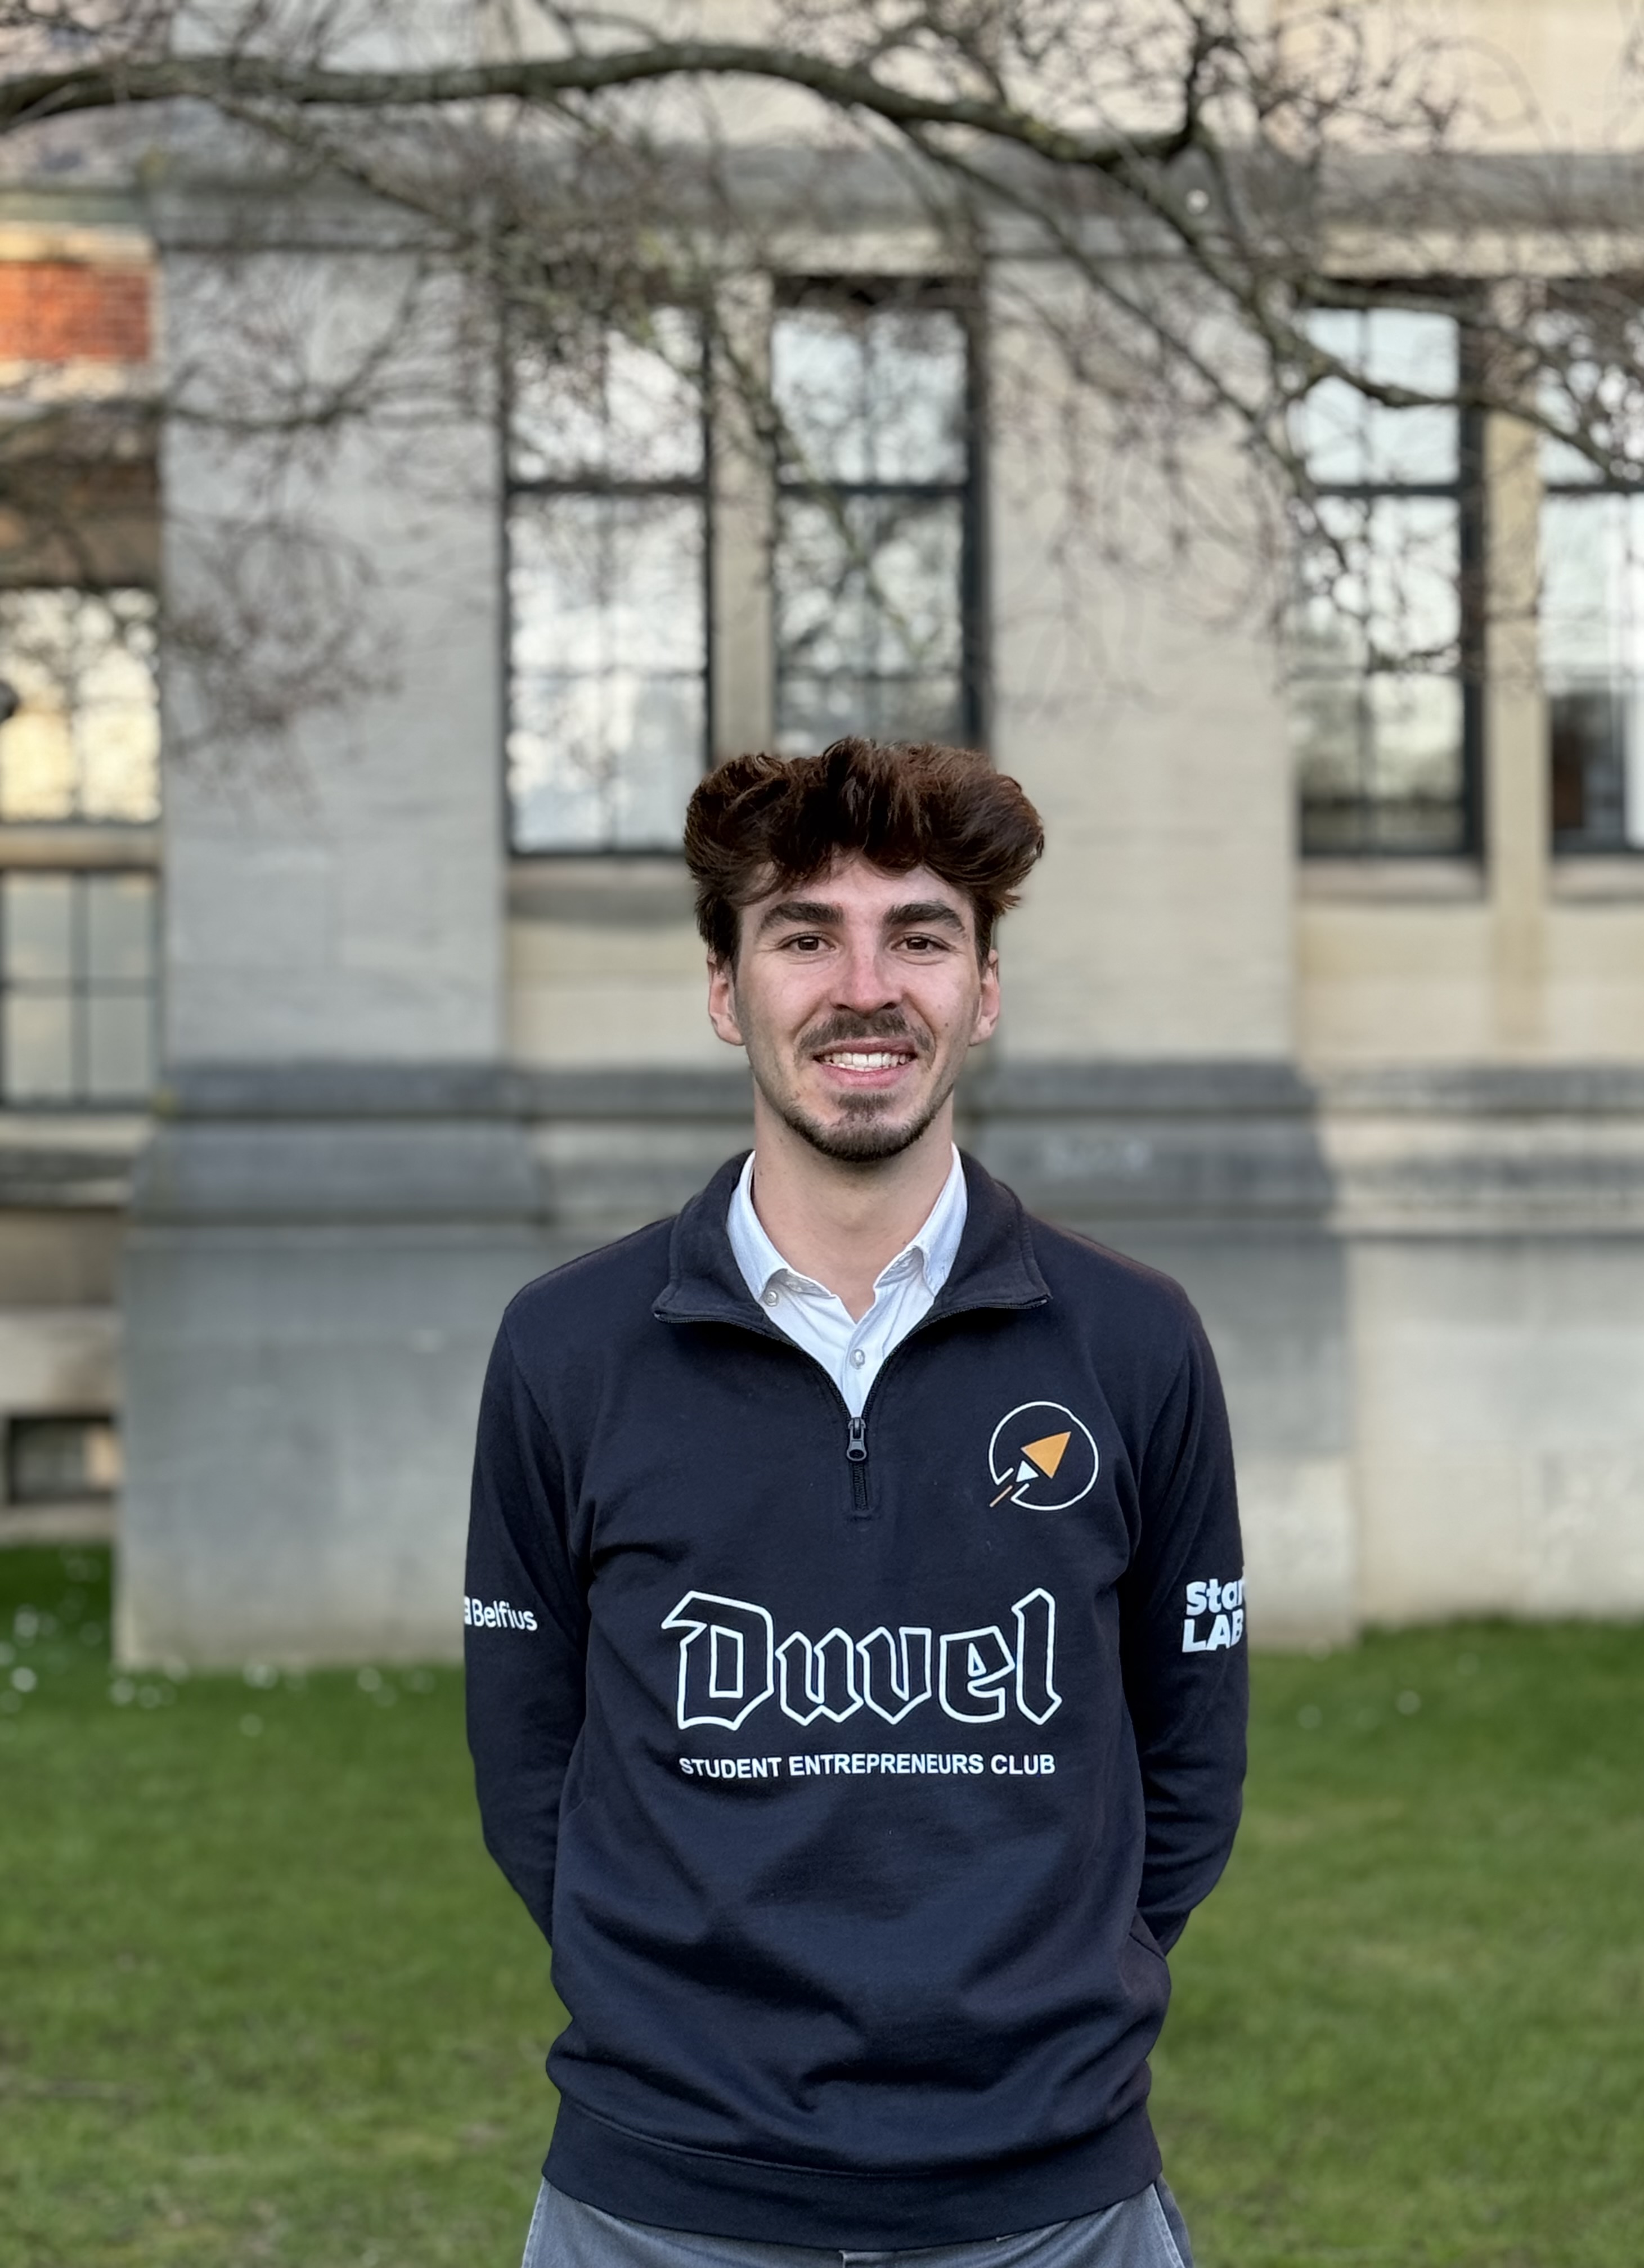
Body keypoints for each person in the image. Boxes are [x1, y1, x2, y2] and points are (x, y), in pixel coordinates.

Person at [465, 737, 1248, 2268]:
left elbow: (1190, 1756)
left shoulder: (1133, 1343)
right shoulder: (567, 1350)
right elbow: (528, 1761)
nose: (865, 986)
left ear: (986, 992)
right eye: (806, 934)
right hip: (661, 2204)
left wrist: (1041, 2012)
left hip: (1050, 2204)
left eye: (923, 936)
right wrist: (676, 2020)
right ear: (724, 989)